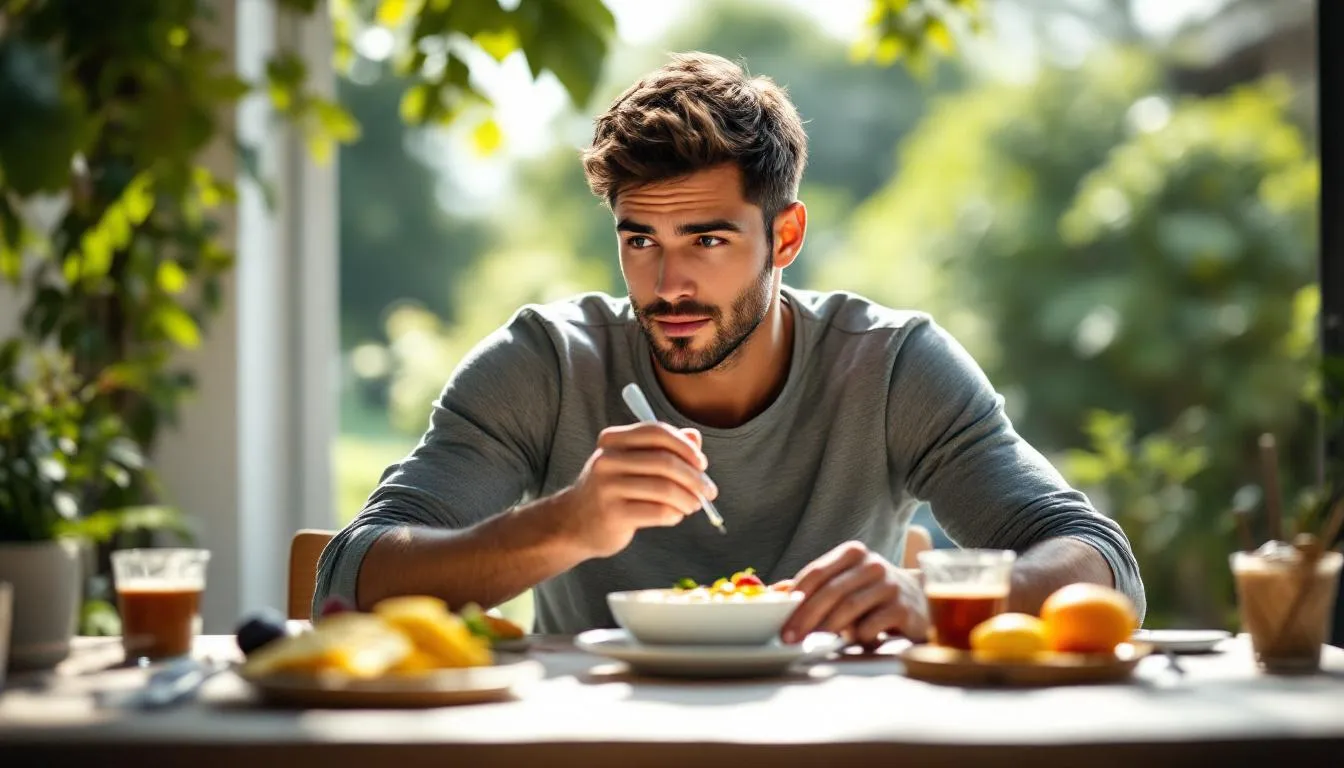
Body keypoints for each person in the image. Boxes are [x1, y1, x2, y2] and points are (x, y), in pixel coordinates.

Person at [314, 52, 1145, 645]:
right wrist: (564, 526)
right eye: (639, 240)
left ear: (785, 235)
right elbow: (349, 575)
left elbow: (1101, 562)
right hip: (597, 746)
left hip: (834, 746)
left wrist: (940, 600)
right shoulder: (545, 366)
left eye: (706, 240)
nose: (667, 283)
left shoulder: (892, 368)